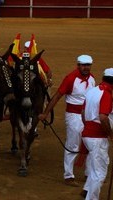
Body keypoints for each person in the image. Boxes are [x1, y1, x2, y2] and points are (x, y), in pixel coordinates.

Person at [39, 54, 95, 186]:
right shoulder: (71, 79)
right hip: (74, 116)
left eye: (88, 65)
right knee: (73, 145)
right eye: (84, 65)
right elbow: (57, 96)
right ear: (78, 65)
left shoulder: (92, 78)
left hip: (88, 116)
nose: (86, 68)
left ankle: (88, 174)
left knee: (88, 144)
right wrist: (46, 113)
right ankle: (69, 175)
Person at [80, 68, 113, 200]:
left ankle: (87, 190)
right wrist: (110, 134)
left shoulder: (92, 91)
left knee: (95, 167)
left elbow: (82, 113)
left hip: (87, 134)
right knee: (99, 172)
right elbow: (103, 117)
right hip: (97, 137)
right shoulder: (106, 94)